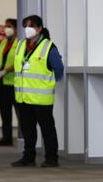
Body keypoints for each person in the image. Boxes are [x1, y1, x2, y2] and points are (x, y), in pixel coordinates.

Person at [11, 15, 64, 167]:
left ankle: (51, 159)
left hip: (41, 98)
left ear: (39, 28)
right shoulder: (21, 45)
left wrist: (50, 82)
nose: (28, 29)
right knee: (28, 131)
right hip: (23, 97)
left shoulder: (48, 47)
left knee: (47, 130)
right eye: (26, 26)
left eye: (31, 26)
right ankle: (28, 157)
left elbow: (58, 68)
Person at [0, 18, 19, 146]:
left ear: (15, 29)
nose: (6, 29)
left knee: (20, 113)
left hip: (13, 84)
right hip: (2, 84)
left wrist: (6, 70)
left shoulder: (19, 44)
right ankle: (6, 138)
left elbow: (19, 62)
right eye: (5, 26)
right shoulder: (3, 43)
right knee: (5, 113)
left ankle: (23, 138)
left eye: (9, 26)